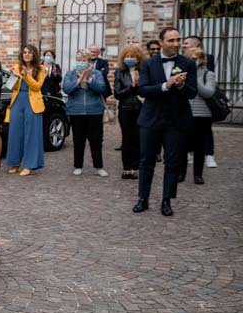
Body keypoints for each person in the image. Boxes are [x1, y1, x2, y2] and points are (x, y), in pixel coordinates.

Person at [133, 28, 197, 217]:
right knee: (146, 161)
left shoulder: (187, 63)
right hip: (151, 119)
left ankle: (167, 200)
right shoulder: (148, 63)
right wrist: (165, 86)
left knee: (172, 162)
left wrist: (182, 85)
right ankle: (142, 199)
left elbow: (193, 92)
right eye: (171, 40)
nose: (176, 44)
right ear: (161, 42)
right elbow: (142, 90)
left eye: (178, 40)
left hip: (176, 120)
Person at [62, 49, 108, 177]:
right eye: (79, 60)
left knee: (96, 141)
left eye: (83, 60)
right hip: (76, 111)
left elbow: (102, 88)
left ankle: (99, 166)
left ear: (88, 61)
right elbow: (66, 89)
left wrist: (89, 80)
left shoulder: (97, 73)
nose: (81, 62)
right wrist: (78, 81)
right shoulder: (70, 74)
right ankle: (78, 166)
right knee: (78, 140)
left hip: (94, 111)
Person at [177, 48, 217, 185]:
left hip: (202, 115)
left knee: (200, 146)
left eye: (196, 58)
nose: (193, 61)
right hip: (185, 112)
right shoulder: (181, 73)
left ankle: (198, 175)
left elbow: (208, 92)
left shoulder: (208, 74)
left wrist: (195, 80)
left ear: (202, 59)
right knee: (182, 145)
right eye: (191, 58)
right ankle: (181, 173)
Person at [5, 45, 46, 176]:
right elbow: (10, 86)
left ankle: (30, 165)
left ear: (34, 55)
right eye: (24, 52)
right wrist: (14, 77)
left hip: (32, 103)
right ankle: (14, 163)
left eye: (29, 52)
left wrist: (25, 75)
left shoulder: (41, 69)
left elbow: (37, 86)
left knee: (31, 134)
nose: (26, 54)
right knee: (15, 133)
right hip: (17, 101)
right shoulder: (17, 67)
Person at [113, 44, 146, 179]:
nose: (130, 59)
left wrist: (139, 85)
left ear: (138, 58)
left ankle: (135, 167)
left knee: (137, 138)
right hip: (125, 109)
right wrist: (132, 87)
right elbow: (117, 93)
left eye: (133, 56)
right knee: (126, 138)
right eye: (127, 56)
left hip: (140, 109)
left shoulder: (144, 71)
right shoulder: (120, 72)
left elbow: (147, 90)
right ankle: (126, 168)